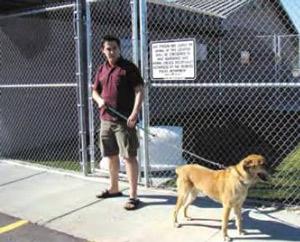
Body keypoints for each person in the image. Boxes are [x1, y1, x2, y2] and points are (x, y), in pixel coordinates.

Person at [92, 35, 144, 210]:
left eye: (114, 48)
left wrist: (135, 113)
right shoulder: (101, 69)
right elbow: (94, 92)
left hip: (124, 121)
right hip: (106, 120)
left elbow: (139, 91)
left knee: (129, 157)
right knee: (111, 156)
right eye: (108, 48)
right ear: (103, 50)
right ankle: (114, 188)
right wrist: (99, 100)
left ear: (119, 49)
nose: (111, 51)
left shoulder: (128, 68)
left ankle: (133, 196)